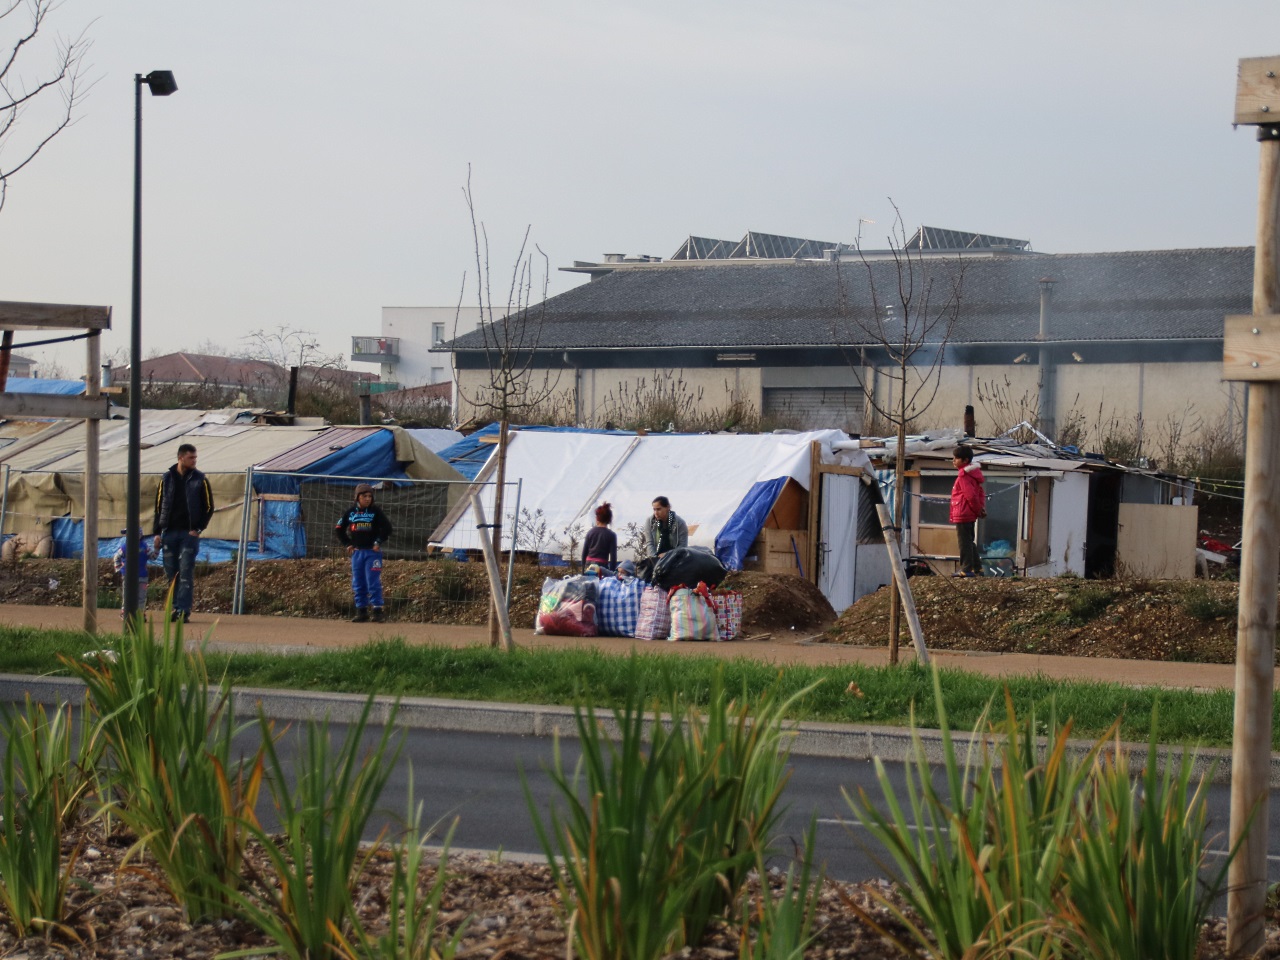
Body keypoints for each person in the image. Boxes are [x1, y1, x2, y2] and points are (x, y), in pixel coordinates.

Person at [152, 443, 214, 623]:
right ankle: (175, 608)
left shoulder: (200, 479)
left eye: (195, 457)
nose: (194, 460)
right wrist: (157, 532)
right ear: (180, 458)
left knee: (186, 571)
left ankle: (183, 611)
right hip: (169, 533)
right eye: (191, 457)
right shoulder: (166, 479)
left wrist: (199, 528)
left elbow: (209, 507)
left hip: (189, 534)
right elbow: (158, 507)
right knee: (172, 573)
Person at [334, 482, 393, 623]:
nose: (367, 499)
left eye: (370, 496)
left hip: (372, 553)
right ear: (357, 497)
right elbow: (339, 528)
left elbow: (387, 528)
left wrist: (378, 542)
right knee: (358, 582)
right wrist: (347, 544)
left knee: (373, 581)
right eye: (364, 496)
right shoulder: (350, 512)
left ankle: (378, 611)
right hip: (357, 553)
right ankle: (362, 611)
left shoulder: (375, 512)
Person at [950, 444, 986, 578]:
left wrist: (978, 510)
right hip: (970, 512)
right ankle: (978, 568)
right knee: (969, 541)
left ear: (965, 461)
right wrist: (980, 509)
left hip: (963, 512)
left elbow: (970, 495)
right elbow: (979, 494)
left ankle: (966, 569)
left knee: (964, 541)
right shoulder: (973, 475)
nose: (953, 461)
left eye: (956, 458)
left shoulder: (963, 476)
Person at [112, 529, 150, 620]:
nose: (127, 536)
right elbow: (116, 557)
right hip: (133, 576)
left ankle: (136, 613)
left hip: (138, 576)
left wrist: (119, 568)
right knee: (132, 595)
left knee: (136, 595)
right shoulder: (126, 547)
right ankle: (128, 612)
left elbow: (116, 557)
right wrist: (120, 569)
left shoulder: (142, 546)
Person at [581, 501, 618, 570]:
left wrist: (583, 569)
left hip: (589, 564)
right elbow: (613, 557)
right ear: (609, 519)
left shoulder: (590, 532)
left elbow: (584, 553)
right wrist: (612, 573)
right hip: (602, 565)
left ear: (597, 518)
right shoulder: (611, 535)